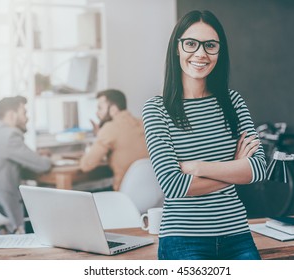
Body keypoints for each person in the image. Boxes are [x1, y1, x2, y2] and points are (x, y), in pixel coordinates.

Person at [142, 10, 267, 260]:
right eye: (191, 44)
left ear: (219, 52)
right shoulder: (157, 109)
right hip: (183, 239)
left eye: (210, 45)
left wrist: (198, 167)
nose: (201, 54)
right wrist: (235, 169)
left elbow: (259, 168)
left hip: (237, 234)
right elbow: (173, 185)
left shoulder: (233, 102)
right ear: (177, 48)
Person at [0, 95, 52, 232]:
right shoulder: (9, 136)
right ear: (12, 115)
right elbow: (42, 166)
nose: (27, 118)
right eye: (24, 112)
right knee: (48, 206)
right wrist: (47, 157)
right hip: (1, 206)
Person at [80, 89, 149, 191]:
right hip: (151, 195)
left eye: (100, 108)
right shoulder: (144, 124)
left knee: (81, 190)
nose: (97, 113)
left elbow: (86, 165)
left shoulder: (110, 128)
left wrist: (100, 134)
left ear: (113, 109)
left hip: (124, 195)